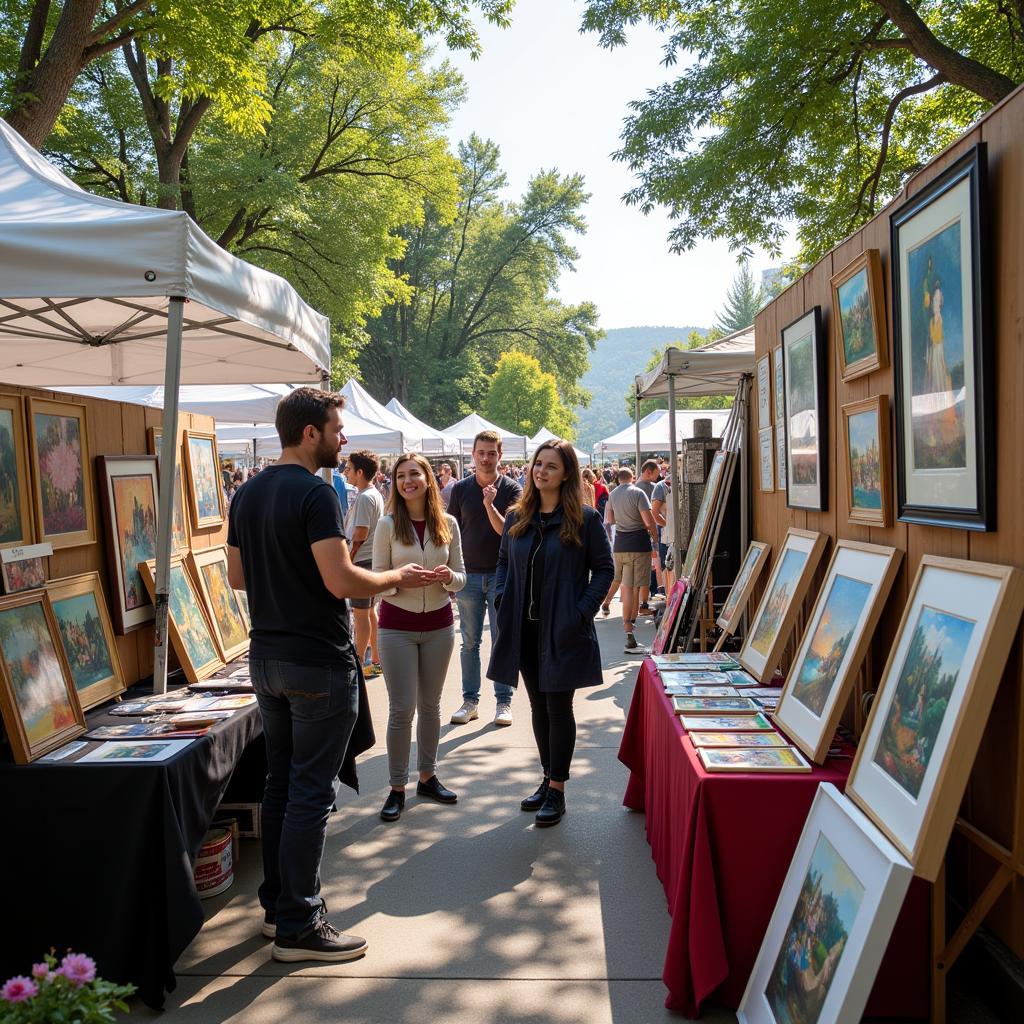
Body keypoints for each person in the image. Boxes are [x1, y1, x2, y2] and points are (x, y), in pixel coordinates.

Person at [227, 387, 434, 963]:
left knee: (281, 785)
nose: (344, 440)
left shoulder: (247, 493)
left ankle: (278, 907)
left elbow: (238, 576)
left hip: (266, 657)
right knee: (308, 794)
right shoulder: (315, 493)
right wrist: (398, 579)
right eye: (337, 429)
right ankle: (297, 923)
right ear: (310, 432)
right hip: (315, 659)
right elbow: (342, 581)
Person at [488, 440, 613, 826]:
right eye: (537, 464)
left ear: (567, 474)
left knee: (559, 708)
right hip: (523, 631)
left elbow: (604, 570)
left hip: (562, 630)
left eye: (551, 466)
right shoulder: (516, 517)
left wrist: (580, 612)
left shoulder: (585, 519)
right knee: (538, 707)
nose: (540, 471)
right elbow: (503, 562)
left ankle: (557, 789)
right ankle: (546, 778)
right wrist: (500, 596)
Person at [372, 453, 466, 822]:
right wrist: (400, 580)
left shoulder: (448, 523)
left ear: (428, 478)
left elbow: (462, 576)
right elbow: (378, 579)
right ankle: (397, 787)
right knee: (401, 709)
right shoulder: (387, 524)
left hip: (441, 625)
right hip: (396, 625)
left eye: (414, 474)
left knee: (431, 706)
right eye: (400, 476)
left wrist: (447, 577)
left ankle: (428, 776)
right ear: (394, 483)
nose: (407, 481)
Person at [447, 430, 522, 727]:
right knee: (469, 642)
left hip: (501, 575)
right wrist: (450, 573)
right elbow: (450, 533)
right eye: (481, 452)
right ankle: (470, 700)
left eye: (492, 453)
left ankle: (503, 702)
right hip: (469, 577)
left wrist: (489, 504)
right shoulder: (461, 489)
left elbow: (508, 531)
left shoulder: (513, 489)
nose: (486, 457)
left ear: (500, 456)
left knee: (501, 640)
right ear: (473, 455)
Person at [602, 467, 659, 655]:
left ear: (618, 479)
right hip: (639, 543)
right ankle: (630, 627)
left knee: (626, 586)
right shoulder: (638, 492)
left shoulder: (612, 494)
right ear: (632, 477)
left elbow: (610, 519)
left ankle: (628, 627)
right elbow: (649, 520)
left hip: (620, 544)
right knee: (635, 587)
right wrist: (655, 538)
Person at [344, 451, 386, 678]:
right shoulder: (372, 494)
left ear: (360, 472)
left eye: (349, 468)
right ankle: (375, 660)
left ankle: (359, 664)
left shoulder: (364, 496)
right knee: (369, 613)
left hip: (363, 561)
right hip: (370, 560)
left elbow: (360, 532)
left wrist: (349, 557)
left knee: (361, 615)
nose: (346, 472)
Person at [635, 460, 661, 612]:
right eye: (656, 475)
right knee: (648, 570)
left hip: (632, 537)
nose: (657, 478)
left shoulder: (633, 488)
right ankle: (643, 604)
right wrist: (655, 535)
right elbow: (651, 517)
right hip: (648, 534)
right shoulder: (648, 488)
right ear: (648, 472)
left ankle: (639, 603)